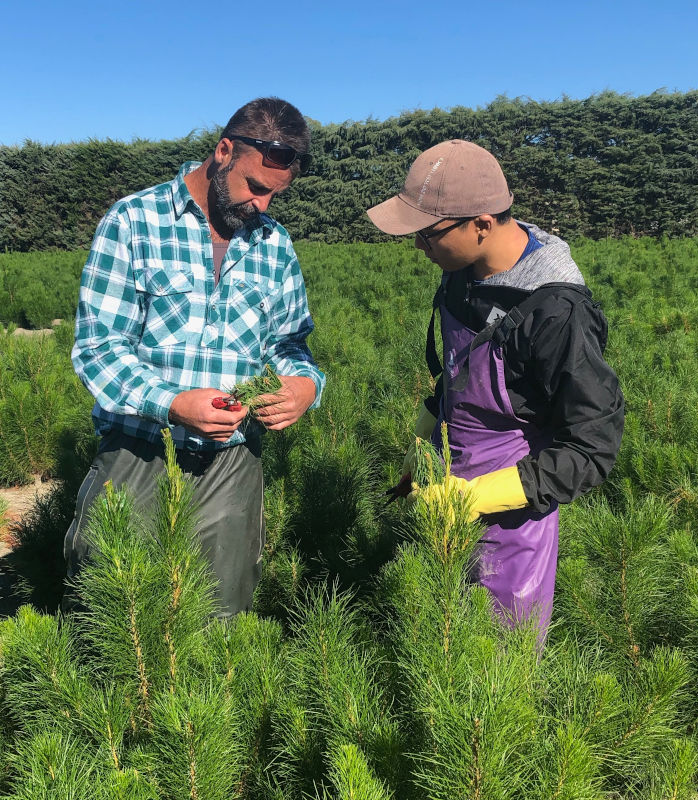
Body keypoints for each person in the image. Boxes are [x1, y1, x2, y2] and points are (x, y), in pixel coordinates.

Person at [64, 97, 325, 617]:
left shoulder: (275, 246)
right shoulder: (134, 221)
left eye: (275, 195)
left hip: (232, 463)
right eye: (255, 187)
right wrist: (172, 404)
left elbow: (290, 346)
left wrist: (304, 386)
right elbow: (99, 348)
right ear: (224, 151)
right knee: (114, 614)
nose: (263, 207)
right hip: (138, 450)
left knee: (220, 617)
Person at [367, 139, 624, 637]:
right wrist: (421, 443)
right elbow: (460, 373)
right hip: (445, 487)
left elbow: (593, 449)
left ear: (482, 224)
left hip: (511, 521)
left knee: (495, 675)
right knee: (434, 647)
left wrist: (476, 497)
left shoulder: (556, 314)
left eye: (427, 234)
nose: (419, 247)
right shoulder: (463, 270)